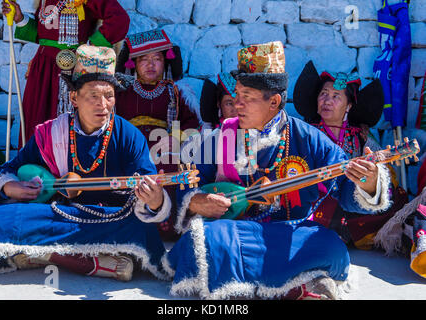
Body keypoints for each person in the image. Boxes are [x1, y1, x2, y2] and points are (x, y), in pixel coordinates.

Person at [161, 41, 393, 300]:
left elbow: (348, 194)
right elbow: (188, 184)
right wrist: (198, 201)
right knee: (207, 237)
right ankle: (294, 286)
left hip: (289, 235)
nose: (237, 105)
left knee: (331, 247)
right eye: (237, 96)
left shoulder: (309, 138)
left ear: (274, 101)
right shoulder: (220, 137)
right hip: (236, 233)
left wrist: (368, 182)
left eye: (247, 98)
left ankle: (250, 284)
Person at [0, 45, 171, 282]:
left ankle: (43, 254)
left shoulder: (128, 135)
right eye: (93, 95)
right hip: (58, 214)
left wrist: (154, 200)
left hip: (109, 218)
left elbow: (147, 186)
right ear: (74, 98)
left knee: (140, 228)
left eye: (109, 95)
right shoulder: (52, 132)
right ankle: (89, 260)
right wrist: (9, 186)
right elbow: (9, 169)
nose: (103, 104)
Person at [292, 61, 408, 250]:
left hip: (350, 202)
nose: (327, 101)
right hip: (317, 201)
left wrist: (373, 175)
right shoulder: (305, 132)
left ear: (348, 106)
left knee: (390, 198)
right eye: (323, 94)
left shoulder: (361, 137)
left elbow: (382, 172)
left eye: (336, 96)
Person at [1, 0, 130, 146]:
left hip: (75, 70)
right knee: (38, 118)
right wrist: (20, 19)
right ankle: (37, 165)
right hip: (43, 70)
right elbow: (45, 36)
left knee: (71, 126)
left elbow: (119, 19)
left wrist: (88, 49)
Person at [115, 29, 200, 241]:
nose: (151, 65)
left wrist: (176, 137)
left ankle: (167, 227)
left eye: (157, 59)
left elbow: (192, 122)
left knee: (172, 170)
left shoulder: (175, 91)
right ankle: (127, 225)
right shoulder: (121, 91)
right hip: (129, 148)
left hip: (164, 150)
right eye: (144, 59)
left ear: (166, 62)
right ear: (133, 63)